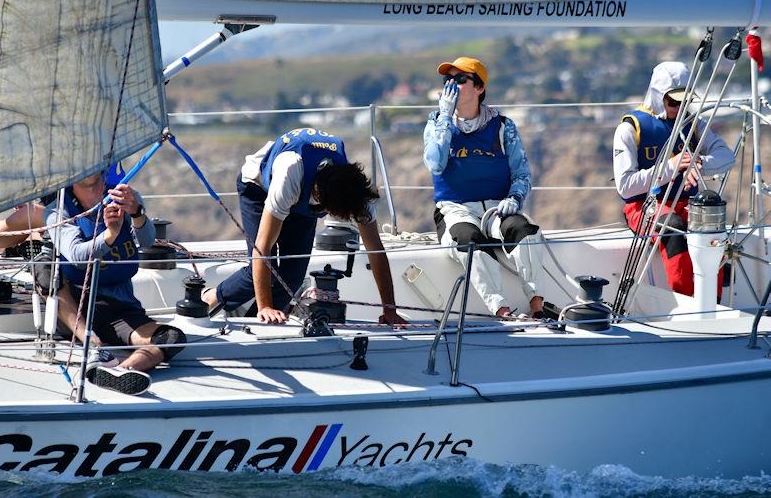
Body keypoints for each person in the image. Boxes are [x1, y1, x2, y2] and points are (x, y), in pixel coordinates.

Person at [202, 127, 406, 325]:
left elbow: (376, 251)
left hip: (304, 200)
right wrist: (266, 306)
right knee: (268, 266)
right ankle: (212, 297)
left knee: (293, 276)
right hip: (258, 187)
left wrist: (389, 310)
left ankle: (253, 321)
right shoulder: (290, 174)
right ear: (318, 198)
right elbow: (262, 249)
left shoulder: (357, 193)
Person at [423, 57, 546, 318]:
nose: (451, 85)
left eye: (460, 80)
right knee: (467, 241)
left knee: (525, 231)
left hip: (496, 209)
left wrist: (515, 197)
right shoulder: (435, 123)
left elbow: (522, 172)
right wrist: (446, 117)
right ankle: (501, 309)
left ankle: (537, 304)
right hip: (455, 210)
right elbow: (435, 163)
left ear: (479, 88)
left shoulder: (503, 127)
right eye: (447, 80)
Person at [44, 170, 186, 395]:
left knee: (171, 337)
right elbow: (79, 257)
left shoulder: (124, 195)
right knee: (44, 267)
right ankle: (94, 347)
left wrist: (137, 213)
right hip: (77, 307)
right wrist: (111, 234)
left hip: (119, 309)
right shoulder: (57, 209)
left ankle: (120, 371)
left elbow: (147, 241)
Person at [613, 61, 735, 296]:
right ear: (658, 97)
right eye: (673, 102)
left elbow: (725, 156)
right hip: (645, 207)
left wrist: (698, 164)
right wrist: (672, 167)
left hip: (686, 204)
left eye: (685, 101)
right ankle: (685, 302)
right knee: (675, 228)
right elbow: (626, 187)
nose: (679, 108)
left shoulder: (694, 125)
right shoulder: (630, 128)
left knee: (711, 227)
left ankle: (713, 302)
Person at [0, 163, 126, 258]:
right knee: (30, 217)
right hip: (64, 209)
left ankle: (32, 239)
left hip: (81, 212)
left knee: (30, 217)